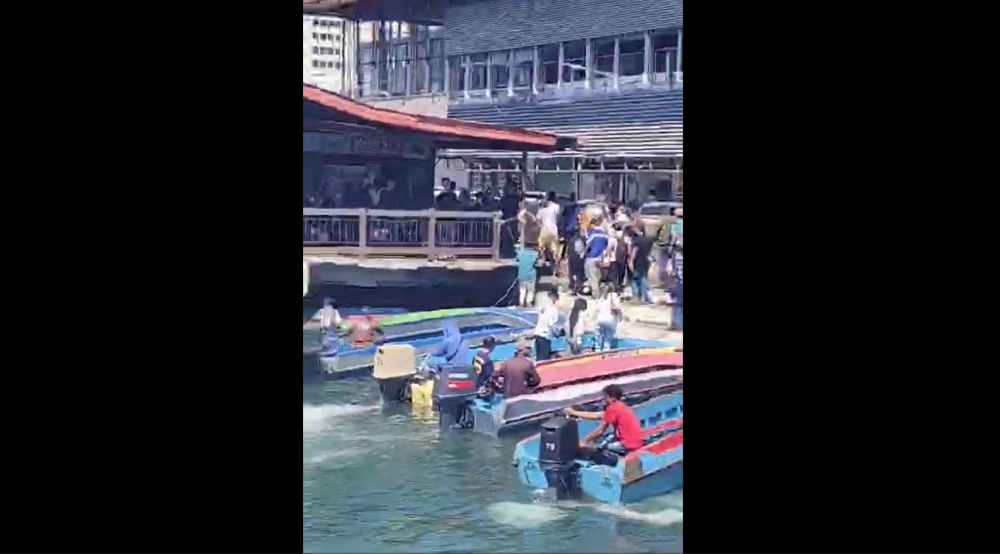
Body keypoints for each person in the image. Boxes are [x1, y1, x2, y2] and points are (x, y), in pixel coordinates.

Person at [564, 384, 644, 455]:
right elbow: (598, 415)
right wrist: (574, 412)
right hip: (637, 442)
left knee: (598, 447)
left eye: (605, 397)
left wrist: (585, 441)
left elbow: (600, 430)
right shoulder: (621, 406)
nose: (604, 399)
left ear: (610, 397)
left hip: (627, 445)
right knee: (606, 438)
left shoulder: (612, 408)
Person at [592, 283, 623, 351]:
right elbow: (617, 307)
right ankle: (606, 350)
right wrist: (620, 316)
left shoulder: (599, 296)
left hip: (599, 319)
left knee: (599, 336)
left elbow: (595, 309)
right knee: (608, 337)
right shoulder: (613, 295)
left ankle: (597, 350)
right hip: (610, 319)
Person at [628, 225, 654, 304]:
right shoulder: (649, 239)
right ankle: (644, 296)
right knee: (644, 278)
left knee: (635, 278)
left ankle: (637, 295)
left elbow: (634, 251)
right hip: (646, 260)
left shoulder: (637, 240)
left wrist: (631, 261)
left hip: (638, 260)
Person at [536, 191, 561, 268]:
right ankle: (555, 266)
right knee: (554, 249)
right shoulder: (556, 207)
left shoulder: (542, 207)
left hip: (544, 229)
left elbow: (537, 220)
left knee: (542, 247)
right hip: (553, 229)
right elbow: (558, 218)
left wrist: (540, 226)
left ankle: (544, 261)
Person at [584, 218, 610, 296]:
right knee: (598, 277)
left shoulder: (593, 234)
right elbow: (606, 246)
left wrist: (583, 253)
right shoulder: (605, 235)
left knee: (592, 277)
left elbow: (588, 245)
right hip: (601, 258)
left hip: (592, 257)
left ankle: (595, 295)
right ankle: (602, 293)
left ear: (593, 225)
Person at [533, 289, 560, 361]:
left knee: (539, 357)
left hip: (538, 333)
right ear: (556, 297)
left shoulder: (543, 306)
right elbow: (552, 324)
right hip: (545, 335)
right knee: (544, 359)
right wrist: (557, 333)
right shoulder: (553, 309)